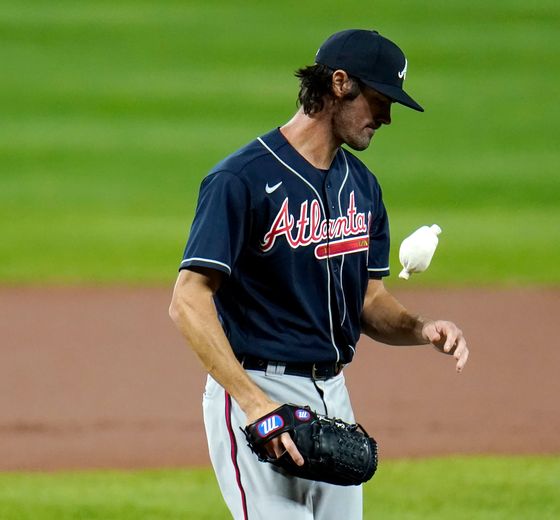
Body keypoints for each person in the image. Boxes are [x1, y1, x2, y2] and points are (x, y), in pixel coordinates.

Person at [169, 29, 469, 520]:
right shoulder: (239, 180)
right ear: (338, 83)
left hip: (333, 395)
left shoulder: (363, 188)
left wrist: (420, 328)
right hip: (257, 391)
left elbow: (368, 298)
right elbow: (187, 300)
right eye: (379, 99)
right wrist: (254, 404)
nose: (388, 116)